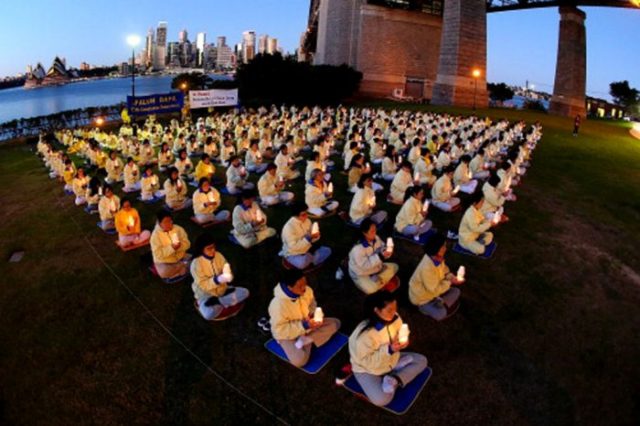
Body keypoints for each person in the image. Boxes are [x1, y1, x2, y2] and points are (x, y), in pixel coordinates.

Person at [348, 291, 428, 406]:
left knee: (422, 360)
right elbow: (367, 362)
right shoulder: (364, 336)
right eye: (389, 310)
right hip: (368, 369)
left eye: (395, 308)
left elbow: (402, 331)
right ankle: (394, 370)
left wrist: (404, 339)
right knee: (382, 400)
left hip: (391, 358)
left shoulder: (394, 318)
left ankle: (394, 378)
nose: (394, 312)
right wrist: (389, 350)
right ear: (376, 310)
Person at [268, 269, 341, 368]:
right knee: (300, 361)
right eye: (300, 286)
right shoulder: (278, 305)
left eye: (305, 283)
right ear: (290, 287)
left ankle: (306, 340)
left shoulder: (307, 290)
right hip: (288, 334)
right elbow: (279, 330)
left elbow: (312, 304)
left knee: (336, 323)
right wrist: (304, 326)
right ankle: (308, 340)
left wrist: (314, 314)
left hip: (307, 326)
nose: (304, 288)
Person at [190, 233, 250, 320]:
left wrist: (229, 276)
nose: (212, 250)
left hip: (223, 290)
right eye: (209, 248)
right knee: (208, 314)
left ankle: (219, 301)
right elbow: (203, 285)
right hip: (206, 295)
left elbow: (227, 270)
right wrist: (218, 280)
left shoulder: (219, 256)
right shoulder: (196, 264)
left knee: (245, 292)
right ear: (201, 250)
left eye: (213, 247)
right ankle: (223, 301)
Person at [408, 233, 462, 321]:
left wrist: (451, 277)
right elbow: (434, 290)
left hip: (435, 291)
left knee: (456, 291)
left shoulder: (437, 258)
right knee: (441, 314)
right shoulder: (427, 268)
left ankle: (440, 302)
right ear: (437, 248)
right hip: (422, 298)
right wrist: (450, 282)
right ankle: (425, 307)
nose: (445, 248)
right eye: (443, 246)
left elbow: (444, 270)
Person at [348, 219, 399, 295]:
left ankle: (378, 280)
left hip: (375, 267)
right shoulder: (357, 249)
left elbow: (382, 247)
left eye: (375, 229)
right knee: (372, 289)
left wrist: (386, 251)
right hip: (362, 273)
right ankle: (377, 281)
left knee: (395, 267)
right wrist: (380, 257)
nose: (375, 232)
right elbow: (364, 266)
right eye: (372, 231)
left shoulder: (376, 238)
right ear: (365, 233)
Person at [280, 203, 332, 270]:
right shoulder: (289, 228)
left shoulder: (307, 221)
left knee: (328, 250)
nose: (307, 216)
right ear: (295, 216)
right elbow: (293, 247)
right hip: (293, 253)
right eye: (303, 215)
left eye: (306, 213)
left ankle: (311, 258)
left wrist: (315, 236)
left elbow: (312, 237)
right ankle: (312, 258)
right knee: (302, 263)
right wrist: (308, 238)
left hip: (308, 249)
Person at [150, 210, 191, 279]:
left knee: (197, 260)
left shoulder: (178, 229)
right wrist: (172, 248)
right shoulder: (155, 236)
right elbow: (158, 254)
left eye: (170, 221)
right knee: (164, 272)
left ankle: (180, 270)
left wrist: (179, 246)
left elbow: (187, 244)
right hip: (165, 262)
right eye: (166, 222)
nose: (169, 223)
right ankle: (184, 267)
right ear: (160, 223)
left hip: (181, 257)